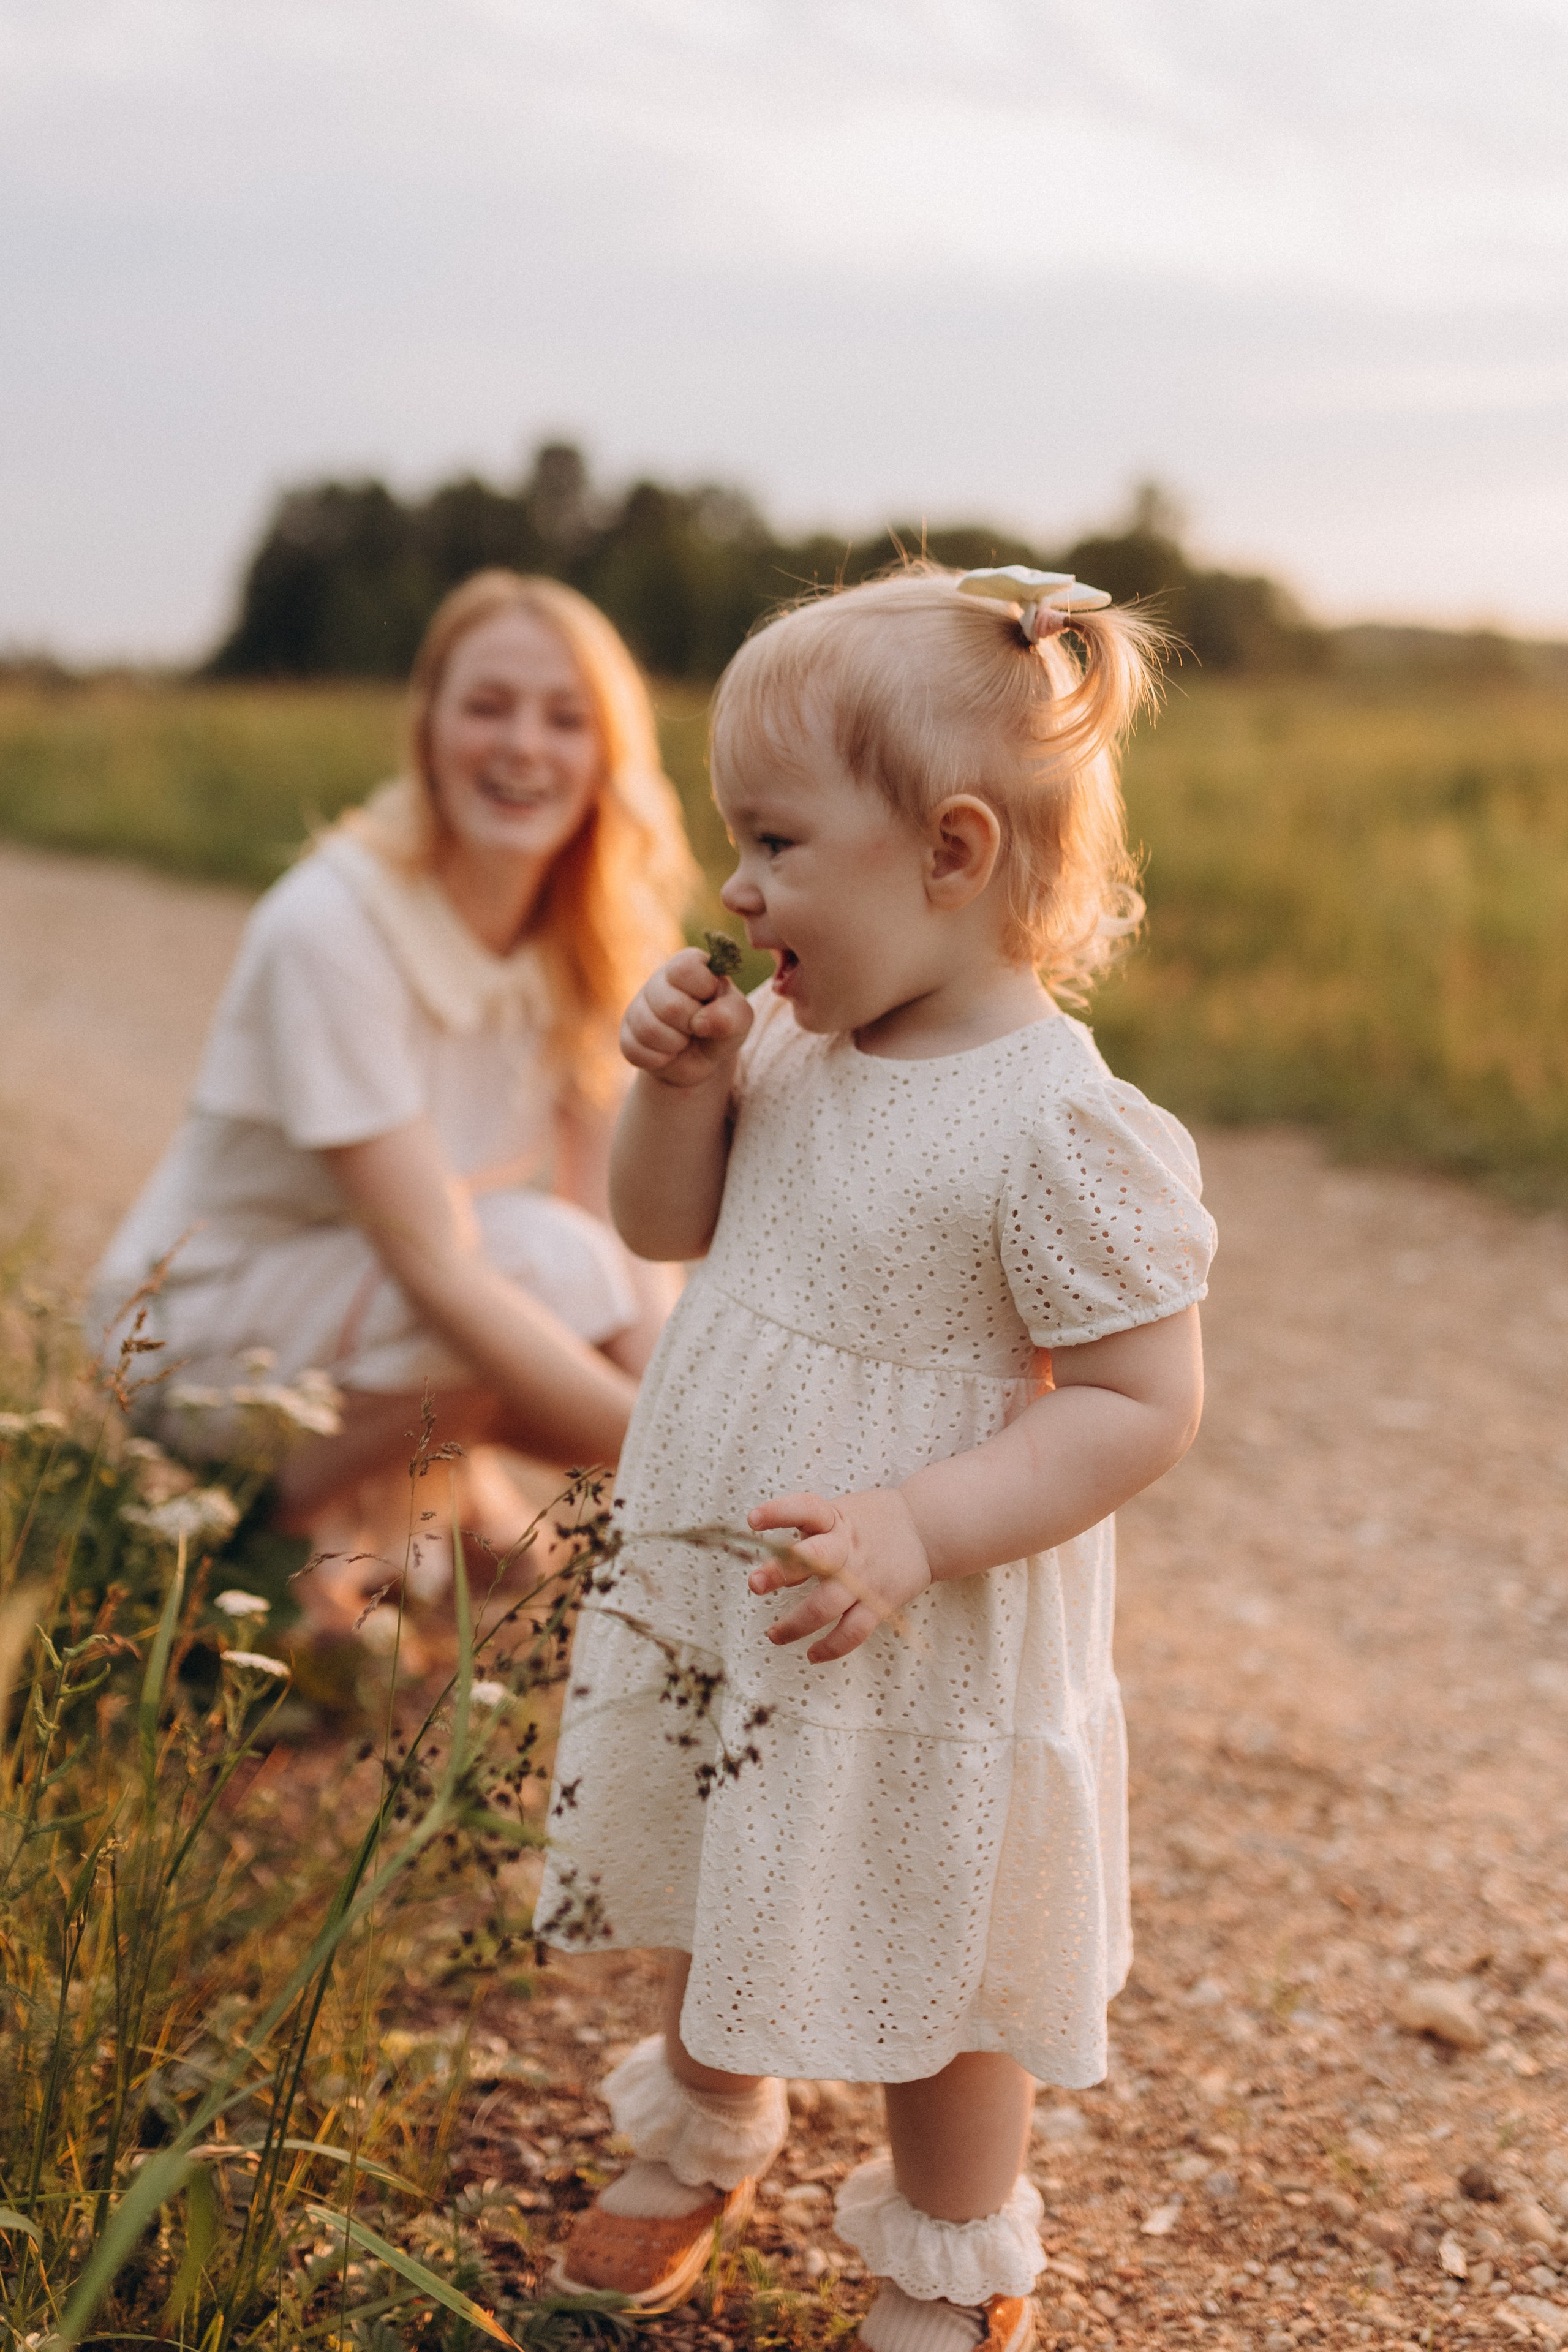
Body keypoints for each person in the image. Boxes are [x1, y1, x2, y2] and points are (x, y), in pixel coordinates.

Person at [535, 564, 1218, 2351]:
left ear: (954, 851)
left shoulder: (1061, 1127)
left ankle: (949, 2237)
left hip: (921, 1613)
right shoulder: (784, 1037)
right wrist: (671, 1091)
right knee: (720, 1826)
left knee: (939, 1933)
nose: (736, 890)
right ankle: (709, 2117)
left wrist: (923, 1523)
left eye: (773, 843)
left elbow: (1143, 1401)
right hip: (746, 1571)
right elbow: (665, 1228)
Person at [91, 570, 698, 1625]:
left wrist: (702, 1411)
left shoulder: (592, 937)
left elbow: (625, 1237)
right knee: (530, 1262)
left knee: (574, 1269)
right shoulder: (330, 925)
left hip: (364, 1308)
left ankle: (426, 1489)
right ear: (426, 728)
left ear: (609, 755)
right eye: (487, 706)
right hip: (194, 1330)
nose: (523, 746)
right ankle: (259, 1530)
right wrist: (679, 1457)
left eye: (566, 718)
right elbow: (441, 1269)